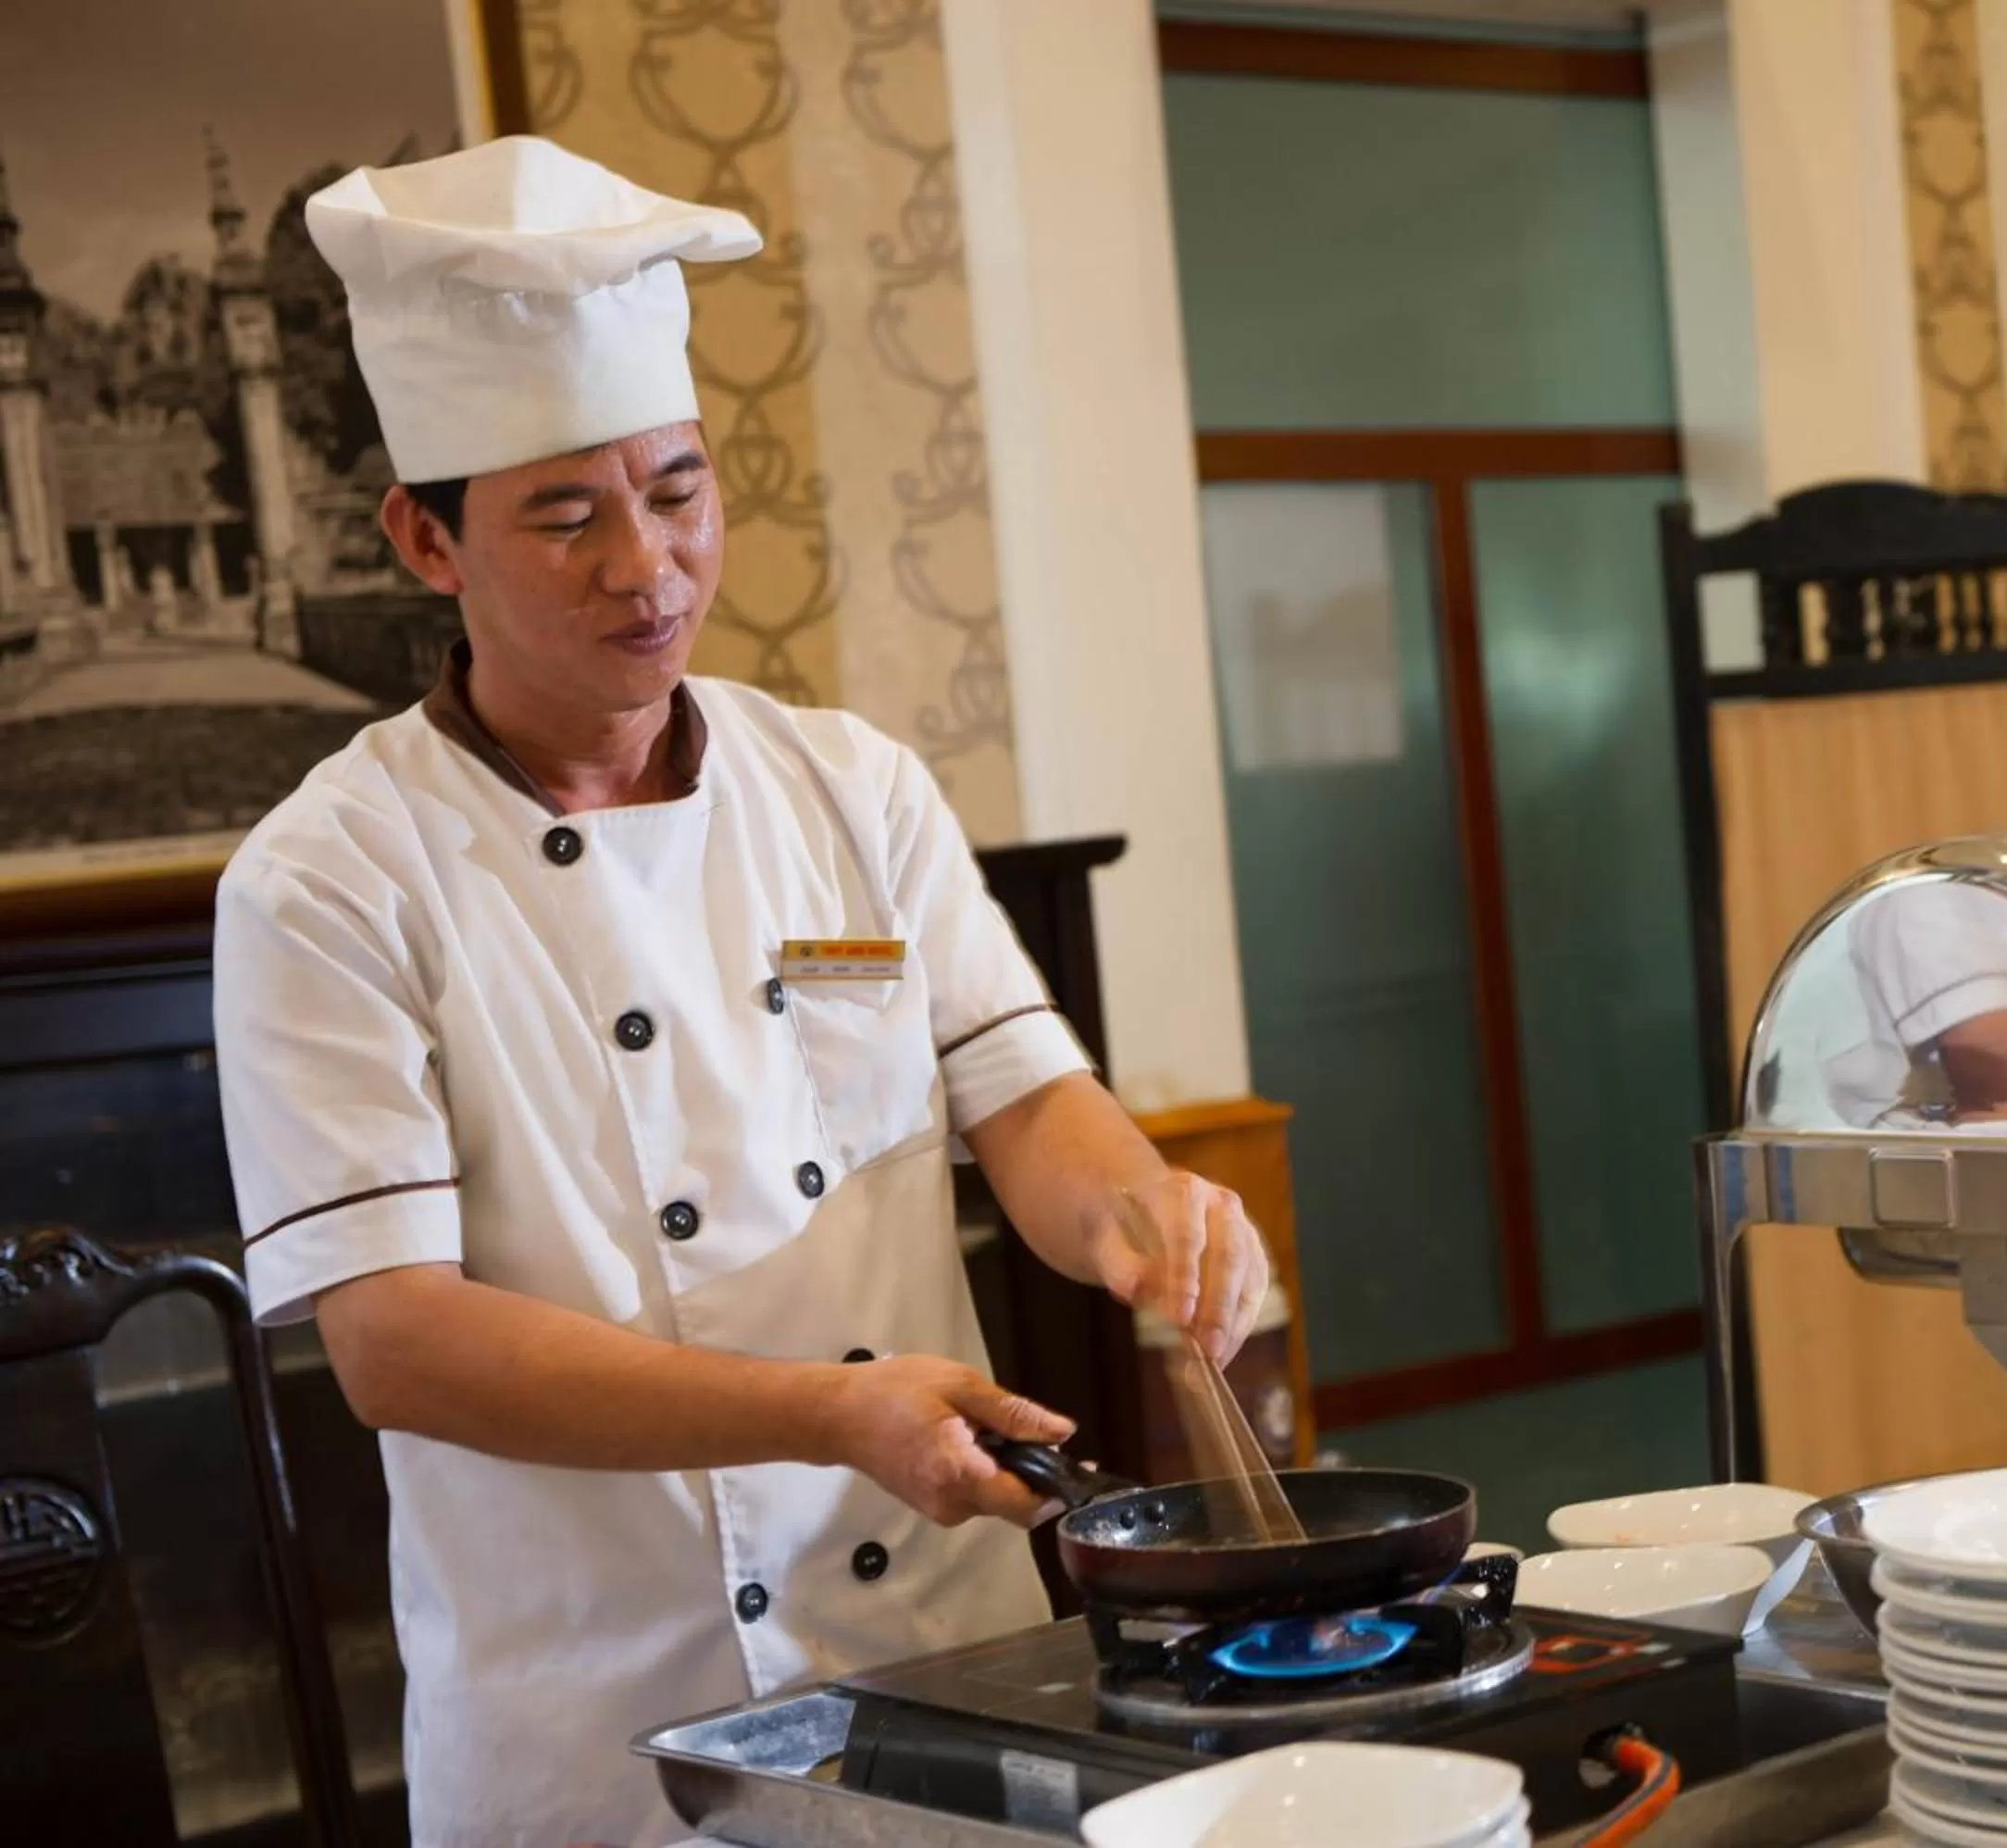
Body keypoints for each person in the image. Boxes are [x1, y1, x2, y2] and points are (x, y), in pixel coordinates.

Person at [210, 135, 1269, 1848]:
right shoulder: (329, 877)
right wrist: (826, 1414)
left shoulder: (848, 786)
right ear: (426, 539)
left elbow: (1025, 1102)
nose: (649, 565)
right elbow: (395, 1344)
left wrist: (1145, 1216)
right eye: (566, 514)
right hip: (605, 1729)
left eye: (679, 489)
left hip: (949, 1664)